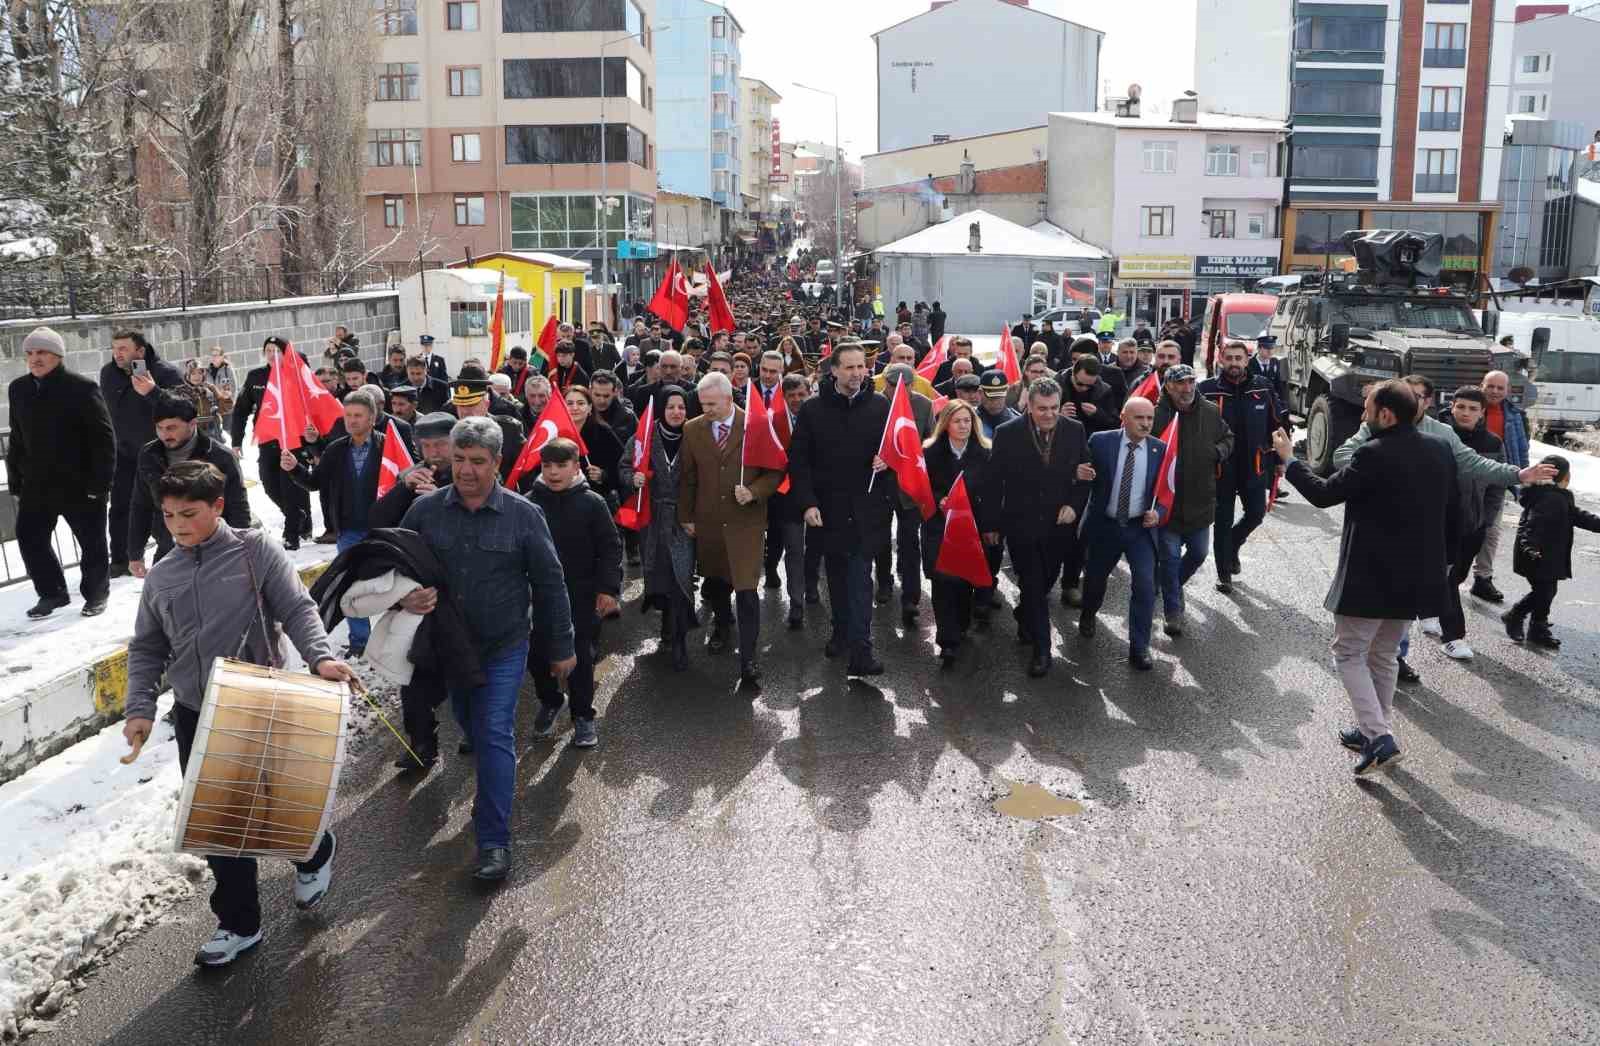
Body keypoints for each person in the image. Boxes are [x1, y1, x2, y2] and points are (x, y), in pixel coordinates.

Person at [121, 460, 354, 965]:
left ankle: (313, 850)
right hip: (196, 711)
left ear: (218, 506)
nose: (178, 526)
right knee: (218, 820)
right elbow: (146, 648)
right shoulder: (163, 575)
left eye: (189, 513)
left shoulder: (254, 551)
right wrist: (139, 708)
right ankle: (238, 924)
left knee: (274, 803)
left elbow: (296, 608)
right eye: (168, 515)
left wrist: (321, 657)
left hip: (260, 699)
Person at [400, 417, 575, 881]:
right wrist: (406, 596)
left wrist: (562, 645)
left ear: (498, 463)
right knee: (470, 724)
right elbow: (393, 570)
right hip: (448, 649)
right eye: (458, 459)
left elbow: (550, 583)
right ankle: (480, 755)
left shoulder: (523, 515)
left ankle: (494, 839)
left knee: (495, 733)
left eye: (478, 461)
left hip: (503, 646)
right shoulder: (425, 513)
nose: (466, 470)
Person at [1274, 380, 1456, 775]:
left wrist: (1290, 461)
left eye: (1367, 408)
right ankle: (1372, 729)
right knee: (1383, 654)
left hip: (1372, 575)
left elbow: (1323, 493)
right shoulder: (1440, 449)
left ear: (1385, 415)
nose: (1362, 414)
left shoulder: (1373, 453)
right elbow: (1453, 512)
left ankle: (1379, 737)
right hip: (1417, 574)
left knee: (1348, 652)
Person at [788, 343, 897, 677]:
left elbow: (897, 450)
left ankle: (861, 651)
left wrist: (887, 461)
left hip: (868, 510)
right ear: (833, 370)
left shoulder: (881, 406)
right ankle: (840, 631)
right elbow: (799, 462)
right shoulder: (813, 410)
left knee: (860, 578)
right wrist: (807, 503)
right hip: (829, 511)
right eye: (849, 368)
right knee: (835, 576)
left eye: (861, 367)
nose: (857, 373)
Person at [680, 372, 785, 685]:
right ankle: (723, 626)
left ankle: (749, 658)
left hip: (745, 524)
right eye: (703, 404)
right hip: (709, 522)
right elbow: (688, 477)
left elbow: (775, 471)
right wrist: (686, 516)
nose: (706, 409)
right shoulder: (693, 429)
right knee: (717, 583)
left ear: (728, 398)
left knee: (747, 590)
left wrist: (753, 492)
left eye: (712, 403)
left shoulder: (755, 424)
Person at [982, 376, 1090, 677]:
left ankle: (1024, 612)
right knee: (1032, 582)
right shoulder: (1007, 433)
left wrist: (1074, 506)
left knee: (1045, 582)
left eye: (1054, 408)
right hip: (1021, 523)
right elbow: (994, 481)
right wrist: (991, 523)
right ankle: (1042, 651)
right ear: (1028, 406)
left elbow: (1085, 476)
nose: (1049, 414)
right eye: (1042, 408)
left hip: (1059, 524)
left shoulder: (1075, 430)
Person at [368, 411, 457, 768]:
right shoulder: (411, 476)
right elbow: (376, 523)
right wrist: (404, 488)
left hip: (458, 591)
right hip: (415, 591)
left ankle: (473, 733)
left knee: (462, 669)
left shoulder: (467, 473)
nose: (434, 452)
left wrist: (439, 498)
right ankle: (421, 743)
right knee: (414, 669)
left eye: (441, 444)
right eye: (427, 446)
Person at [7, 326, 116, 618]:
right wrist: (16, 478)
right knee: (29, 537)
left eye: (41, 352)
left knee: (91, 542)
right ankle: (52, 593)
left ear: (57, 355)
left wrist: (100, 484)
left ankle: (95, 594)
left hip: (80, 484)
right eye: (30, 353)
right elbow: (17, 438)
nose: (34, 358)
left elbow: (103, 439)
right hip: (36, 484)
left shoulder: (81, 388)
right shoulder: (18, 389)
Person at [524, 438, 621, 747]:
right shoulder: (527, 503)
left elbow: (609, 547)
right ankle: (552, 700)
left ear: (575, 467)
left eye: (561, 466)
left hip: (580, 594)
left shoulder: (592, 503)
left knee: (579, 657)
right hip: (537, 596)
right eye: (547, 466)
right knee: (537, 657)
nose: (553, 472)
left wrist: (607, 588)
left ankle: (583, 716)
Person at [281, 388, 388, 657]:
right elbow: (315, 482)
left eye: (358, 415)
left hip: (384, 530)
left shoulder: (388, 446)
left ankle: (392, 641)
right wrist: (294, 467)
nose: (352, 421)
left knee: (389, 584)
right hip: (349, 530)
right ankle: (360, 640)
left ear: (372, 418)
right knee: (350, 586)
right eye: (348, 415)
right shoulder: (336, 450)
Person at [1077, 397, 1167, 672]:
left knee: (1145, 586)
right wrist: (1079, 473)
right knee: (1094, 580)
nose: (1146, 424)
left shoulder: (1160, 450)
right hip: (1105, 526)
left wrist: (1159, 513)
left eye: (1150, 418)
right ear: (1124, 418)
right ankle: (1089, 612)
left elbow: (1169, 490)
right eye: (1139, 418)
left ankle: (1139, 647)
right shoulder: (1100, 441)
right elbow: (1080, 472)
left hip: (1140, 529)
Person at [1150, 365, 1232, 635]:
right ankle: (1173, 612)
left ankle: (1170, 586)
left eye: (1190, 382)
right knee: (1170, 559)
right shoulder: (1155, 413)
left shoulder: (1210, 411)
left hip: (1200, 501)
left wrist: (1217, 452)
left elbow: (1228, 437)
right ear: (1168, 386)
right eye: (1180, 383)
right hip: (1166, 506)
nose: (1187, 388)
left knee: (1198, 554)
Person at [129, 393, 250, 574]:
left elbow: (237, 506)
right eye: (159, 428)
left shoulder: (220, 456)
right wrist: (135, 553)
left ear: (192, 424)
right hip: (169, 547)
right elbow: (141, 505)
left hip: (215, 549)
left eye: (171, 428)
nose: (164, 435)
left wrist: (240, 549)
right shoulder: (149, 455)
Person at [1198, 341, 1282, 594]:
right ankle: (1224, 573)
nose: (1234, 363)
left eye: (1239, 358)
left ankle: (1233, 544)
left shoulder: (1263, 388)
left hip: (1254, 465)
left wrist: (1279, 461)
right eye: (1229, 358)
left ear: (1247, 360)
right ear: (1221, 360)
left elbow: (1277, 426)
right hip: (1220, 469)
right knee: (1221, 522)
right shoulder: (1207, 390)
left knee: (1256, 513)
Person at [102, 329, 184, 576]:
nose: (117, 354)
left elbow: (183, 409)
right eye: (114, 348)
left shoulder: (166, 373)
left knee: (161, 508)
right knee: (119, 508)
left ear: (140, 350)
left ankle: (170, 558)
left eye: (123, 349)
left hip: (159, 456)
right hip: (124, 454)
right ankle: (121, 560)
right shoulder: (109, 374)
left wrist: (152, 392)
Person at [1432, 387, 1504, 660]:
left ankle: (1431, 609)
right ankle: (1453, 637)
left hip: (1471, 525)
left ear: (1482, 413)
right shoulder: (1436, 435)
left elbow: (1497, 486)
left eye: (1473, 409)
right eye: (1461, 407)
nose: (1466, 413)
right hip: (1436, 522)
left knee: (1455, 577)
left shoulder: (1493, 443)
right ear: (1452, 407)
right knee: (1448, 580)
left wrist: (1485, 519)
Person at [1503, 454, 1600, 650]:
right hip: (1538, 555)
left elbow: (1576, 515)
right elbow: (1533, 523)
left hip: (1544, 555)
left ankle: (1537, 627)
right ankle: (1516, 616)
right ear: (1563, 477)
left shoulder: (1555, 497)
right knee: (1545, 591)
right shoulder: (1551, 499)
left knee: (1546, 591)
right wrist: (1530, 546)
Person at [923, 400, 993, 667]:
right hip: (940, 528)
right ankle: (947, 640)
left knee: (964, 583)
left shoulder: (985, 452)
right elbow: (923, 488)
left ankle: (961, 625)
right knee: (943, 583)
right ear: (946, 425)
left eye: (967, 421)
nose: (963, 426)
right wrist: (939, 499)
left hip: (972, 530)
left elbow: (992, 492)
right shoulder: (930, 452)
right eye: (957, 421)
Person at [634, 387, 697, 670]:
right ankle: (667, 624)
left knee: (682, 576)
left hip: (685, 518)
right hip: (654, 518)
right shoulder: (646, 435)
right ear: (662, 409)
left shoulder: (694, 435)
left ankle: (681, 637)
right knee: (660, 575)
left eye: (681, 407)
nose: (676, 412)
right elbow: (627, 465)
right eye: (671, 407)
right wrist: (633, 477)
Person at [231, 337, 313, 549]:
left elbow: (312, 402)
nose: (272, 354)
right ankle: (299, 515)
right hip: (268, 439)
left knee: (292, 486)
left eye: (277, 350)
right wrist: (236, 440)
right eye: (268, 350)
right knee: (269, 486)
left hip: (294, 440)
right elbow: (241, 410)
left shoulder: (296, 373)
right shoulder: (256, 376)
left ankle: (291, 533)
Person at [874, 364, 934, 621]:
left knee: (910, 542)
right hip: (881, 484)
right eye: (894, 384)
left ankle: (911, 597)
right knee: (881, 539)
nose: (900, 389)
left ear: (913, 384)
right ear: (885, 383)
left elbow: (930, 441)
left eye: (906, 385)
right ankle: (885, 582)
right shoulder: (875, 404)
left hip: (910, 485)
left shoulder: (924, 405)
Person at [1472, 370, 1531, 604]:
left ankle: (1482, 578)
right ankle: (1446, 577)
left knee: (1491, 532)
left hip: (1498, 480)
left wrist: (1524, 480)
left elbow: (1522, 450)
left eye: (1500, 388)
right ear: (1482, 385)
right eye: (1491, 386)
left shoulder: (1517, 415)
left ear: (1507, 391)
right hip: (1468, 477)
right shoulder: (1469, 407)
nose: (1495, 391)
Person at [452, 365, 526, 482]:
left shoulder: (509, 429)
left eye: (471, 405)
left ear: (486, 404)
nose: (465, 411)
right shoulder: (449, 432)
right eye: (461, 405)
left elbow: (524, 470)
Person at [975, 369, 1019, 440]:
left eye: (999, 397)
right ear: (980, 392)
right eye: (991, 398)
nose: (995, 402)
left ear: (1007, 391)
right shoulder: (969, 421)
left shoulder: (1017, 422)